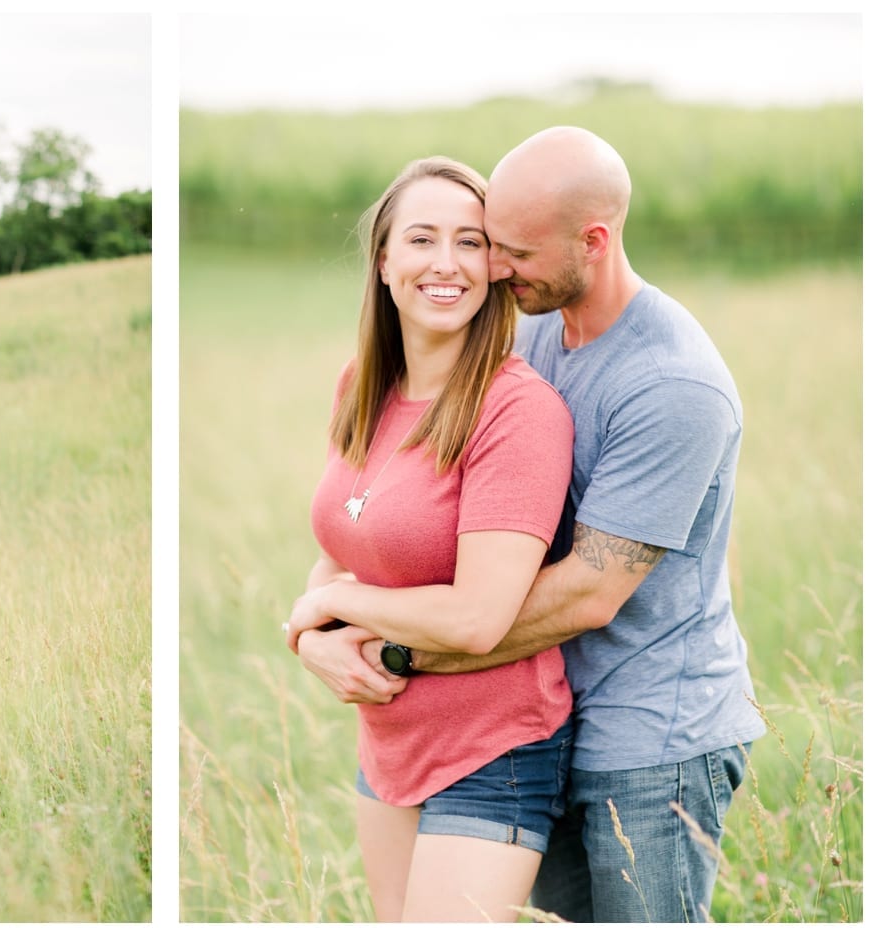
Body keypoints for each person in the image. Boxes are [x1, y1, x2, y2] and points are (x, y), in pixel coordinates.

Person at [297, 126, 765, 923]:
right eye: (493, 245)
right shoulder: (537, 328)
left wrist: (388, 648)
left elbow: (586, 593)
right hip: (549, 709)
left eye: (508, 249)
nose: (494, 269)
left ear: (594, 240)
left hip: (652, 732)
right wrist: (316, 632)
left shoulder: (672, 384)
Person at [283, 156, 576, 922]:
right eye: (421, 239)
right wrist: (307, 636)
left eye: (470, 242)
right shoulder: (363, 385)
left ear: (495, 266)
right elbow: (345, 542)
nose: (446, 264)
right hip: (389, 741)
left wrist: (338, 604)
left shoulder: (517, 412)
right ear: (384, 262)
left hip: (492, 750)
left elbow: (479, 617)